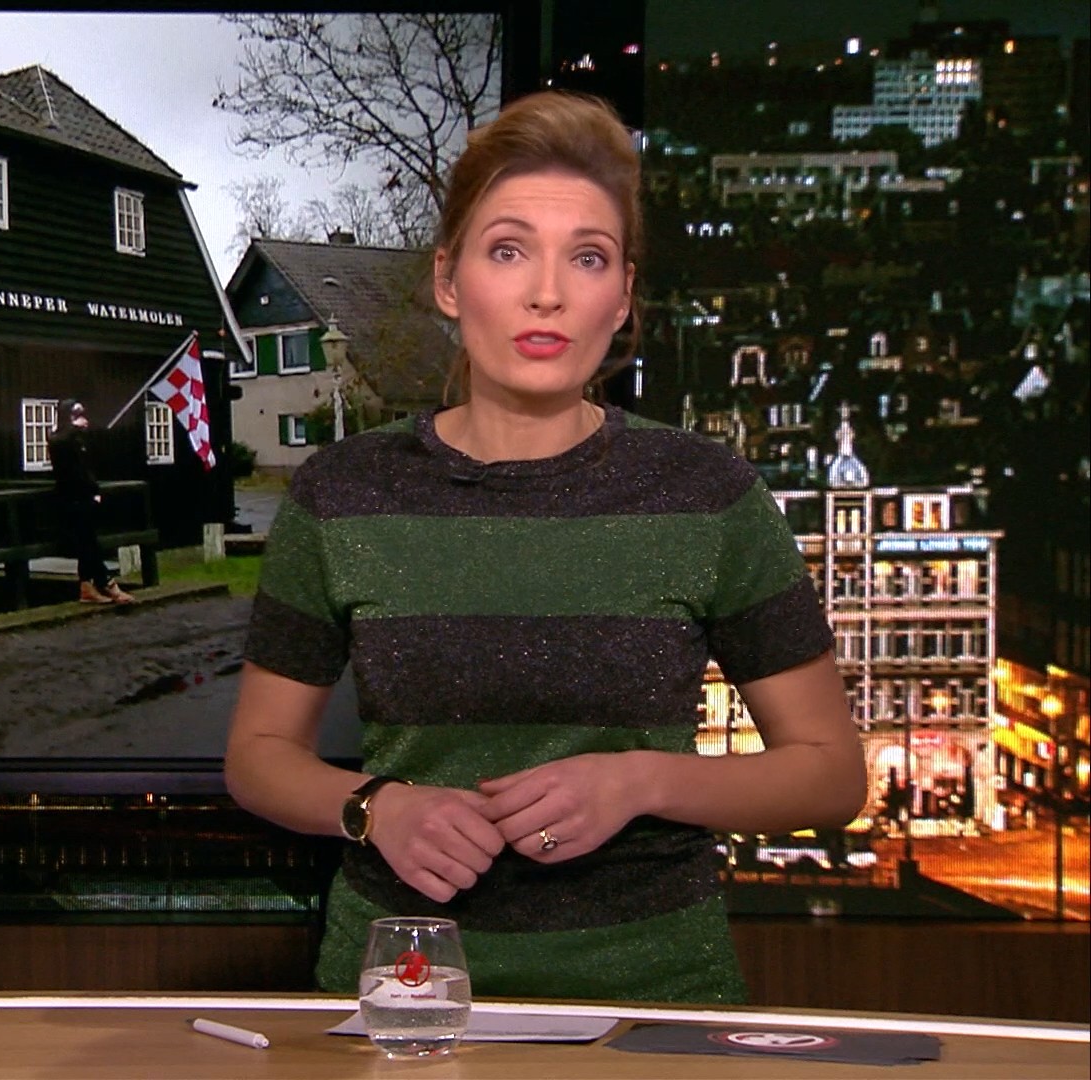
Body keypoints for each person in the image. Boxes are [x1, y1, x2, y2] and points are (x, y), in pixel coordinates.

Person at [224, 91, 865, 1004]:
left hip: (652, 1004)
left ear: (622, 295)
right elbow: (258, 754)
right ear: (449, 282)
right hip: (408, 997)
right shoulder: (343, 492)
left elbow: (830, 774)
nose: (548, 293)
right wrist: (374, 807)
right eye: (508, 250)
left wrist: (640, 783)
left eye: (587, 257)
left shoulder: (709, 494)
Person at [47, 398, 135, 605]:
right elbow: (61, 448)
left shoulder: (77, 439)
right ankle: (107, 583)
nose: (82, 420)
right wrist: (73, 429)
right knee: (89, 544)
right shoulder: (60, 438)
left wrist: (94, 491)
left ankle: (87, 585)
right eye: (76, 416)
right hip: (72, 499)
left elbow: (86, 469)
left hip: (84, 497)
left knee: (88, 542)